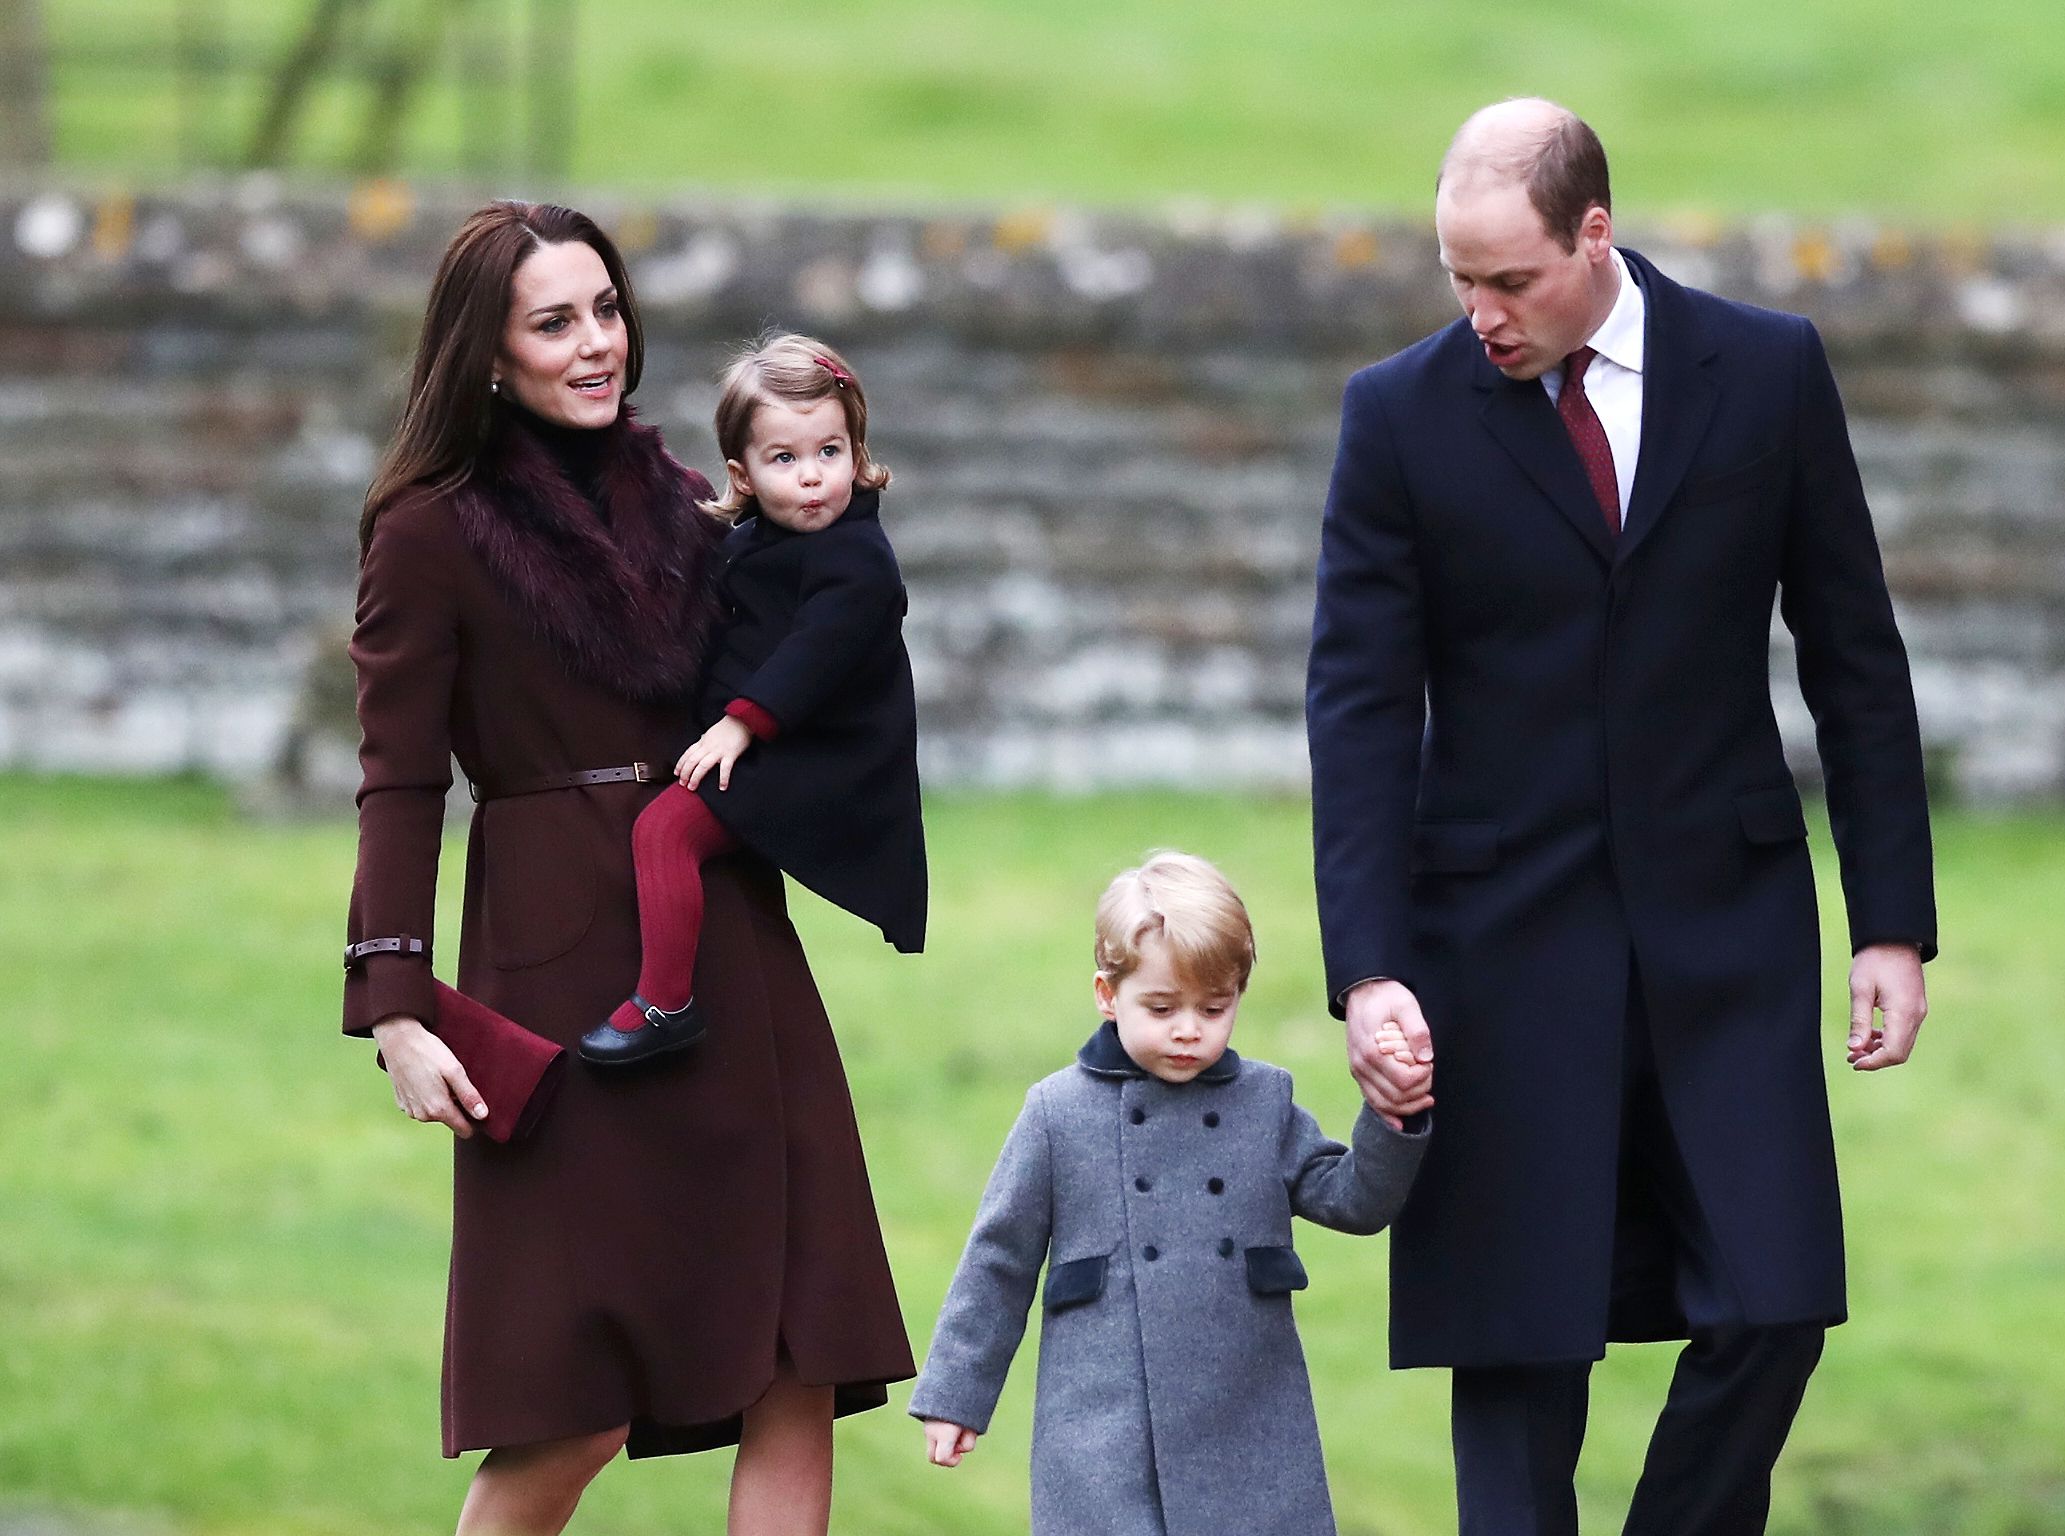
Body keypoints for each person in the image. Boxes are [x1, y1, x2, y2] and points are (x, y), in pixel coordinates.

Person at [1304, 99, 1938, 1535]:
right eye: (1458, 279)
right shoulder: (1396, 414)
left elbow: (1854, 655)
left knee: (1776, 1306)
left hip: (1728, 932)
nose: (1480, 313)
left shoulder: (1766, 373)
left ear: (1597, 233)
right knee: (1520, 1350)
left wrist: (1891, 921)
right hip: (1496, 943)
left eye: (1510, 280)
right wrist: (1370, 965)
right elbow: (1356, 706)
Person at [343, 201, 913, 1536]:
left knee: (794, 1360)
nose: (596, 342)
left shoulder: (694, 500)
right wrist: (396, 1007)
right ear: (489, 353)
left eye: (606, 309)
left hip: (728, 946)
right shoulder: (428, 531)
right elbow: (399, 778)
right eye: (555, 321)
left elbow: (827, 645)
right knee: (573, 1399)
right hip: (553, 970)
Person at [907, 852, 1432, 1536]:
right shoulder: (1056, 1112)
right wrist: (957, 1397)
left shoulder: (1265, 1103)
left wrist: (1391, 1117)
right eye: (1161, 1007)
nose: (1189, 1029)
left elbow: (1354, 1201)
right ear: (1106, 994)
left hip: (1250, 1416)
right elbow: (998, 1262)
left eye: (1214, 1008)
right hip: (1102, 1425)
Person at [577, 330, 927, 1067]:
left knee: (665, 831)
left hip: (819, 761)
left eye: (830, 453)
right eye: (785, 459)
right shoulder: (751, 542)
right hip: (772, 744)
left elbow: (815, 653)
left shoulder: (858, 558)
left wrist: (738, 726)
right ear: (742, 474)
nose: (812, 478)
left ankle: (665, 1004)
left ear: (857, 454)